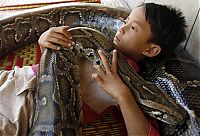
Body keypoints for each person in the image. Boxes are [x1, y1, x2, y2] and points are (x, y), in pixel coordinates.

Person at [0, 2, 186, 136]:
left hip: (23, 111)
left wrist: (123, 96)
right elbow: (49, 67)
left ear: (151, 50)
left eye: (133, 28)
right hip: (16, 78)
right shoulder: (94, 40)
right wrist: (45, 41)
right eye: (125, 21)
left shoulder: (133, 85)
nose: (121, 28)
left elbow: (143, 133)